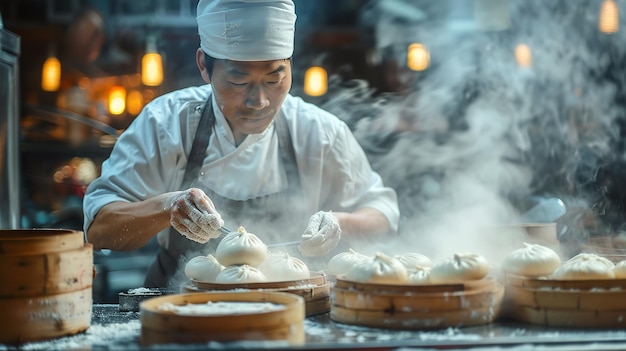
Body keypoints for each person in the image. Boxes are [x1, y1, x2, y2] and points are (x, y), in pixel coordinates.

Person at [83, 0, 400, 288]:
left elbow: (383, 215)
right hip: (180, 310)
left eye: (275, 80)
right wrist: (166, 207)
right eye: (239, 81)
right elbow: (99, 228)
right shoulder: (167, 123)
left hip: (294, 314)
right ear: (204, 67)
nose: (260, 101)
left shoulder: (317, 131)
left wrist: (339, 224)